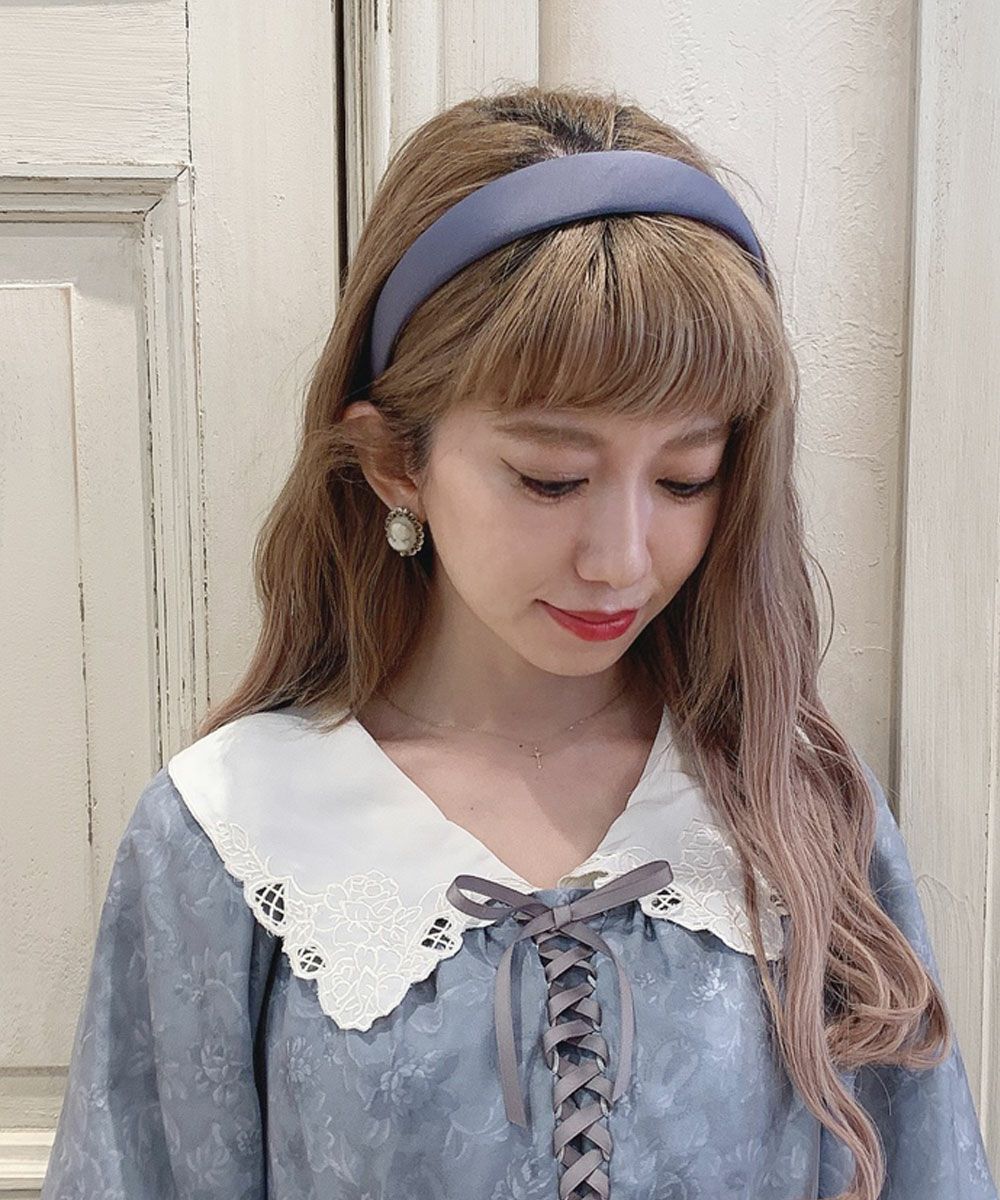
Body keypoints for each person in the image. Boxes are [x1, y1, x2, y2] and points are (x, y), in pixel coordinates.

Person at [40, 85, 997, 1200]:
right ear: (396, 461)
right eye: (550, 478)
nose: (620, 559)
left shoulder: (797, 810)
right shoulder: (231, 834)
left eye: (685, 478)